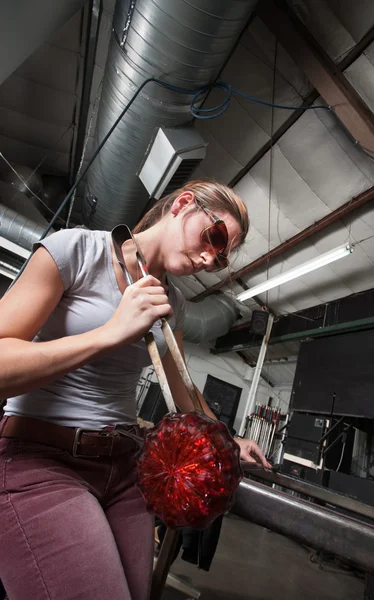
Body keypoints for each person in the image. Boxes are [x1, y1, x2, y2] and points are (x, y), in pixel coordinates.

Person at [0, 179, 271, 600]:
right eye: (213, 236)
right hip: (41, 458)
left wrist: (229, 439)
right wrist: (110, 333)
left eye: (219, 257)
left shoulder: (174, 304)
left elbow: (183, 388)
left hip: (126, 469)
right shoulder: (77, 251)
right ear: (183, 203)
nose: (207, 256)